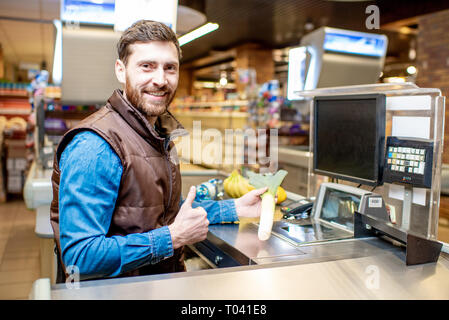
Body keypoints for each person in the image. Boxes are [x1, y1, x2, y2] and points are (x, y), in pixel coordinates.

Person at [50, 20, 267, 282]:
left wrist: (234, 208)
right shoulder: (95, 145)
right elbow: (80, 259)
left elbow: (159, 211)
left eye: (170, 68)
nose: (160, 80)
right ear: (121, 70)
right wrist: (173, 237)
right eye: (147, 66)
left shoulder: (157, 134)